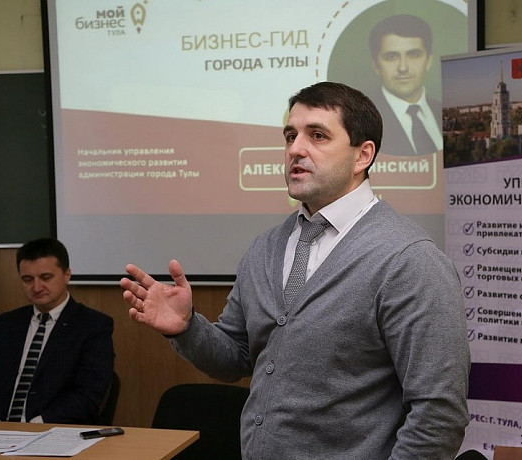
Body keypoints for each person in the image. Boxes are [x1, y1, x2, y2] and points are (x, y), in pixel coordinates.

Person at [120, 81, 469, 458]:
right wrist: (187, 328)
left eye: (317, 135)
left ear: (362, 155)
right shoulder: (265, 248)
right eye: (290, 136)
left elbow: (439, 415)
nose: (295, 149)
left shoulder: (409, 259)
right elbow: (235, 359)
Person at [0, 238, 115, 424]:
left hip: (53, 428)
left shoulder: (93, 326)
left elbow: (88, 394)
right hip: (1, 430)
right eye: (27, 279)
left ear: (67, 275)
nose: (36, 287)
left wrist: (39, 424)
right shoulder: (3, 325)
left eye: (45, 277)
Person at [369, 14, 443, 156]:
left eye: (414, 55)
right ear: (376, 65)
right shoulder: (361, 119)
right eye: (391, 57)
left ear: (428, 60)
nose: (403, 68)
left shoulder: (443, 111)